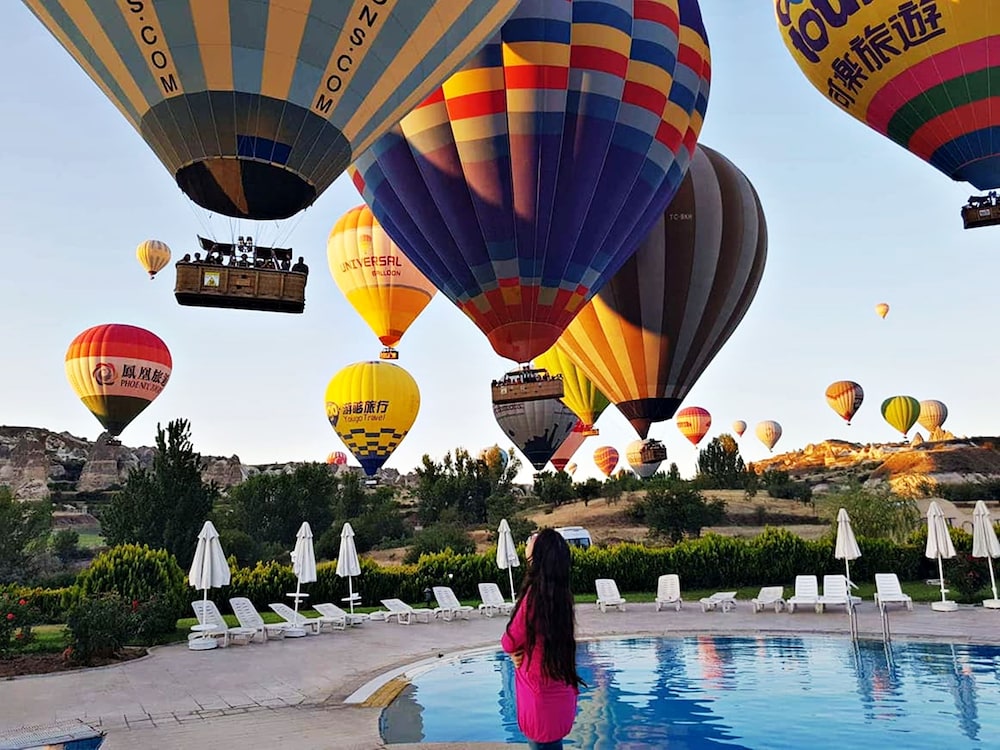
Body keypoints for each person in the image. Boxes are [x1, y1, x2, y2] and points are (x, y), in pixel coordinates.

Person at [501, 529, 583, 749]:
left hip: (539, 698)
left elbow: (509, 640)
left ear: (537, 556)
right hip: (561, 688)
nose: (528, 540)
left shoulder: (534, 597)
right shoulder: (562, 595)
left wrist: (515, 653)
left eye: (532, 540)